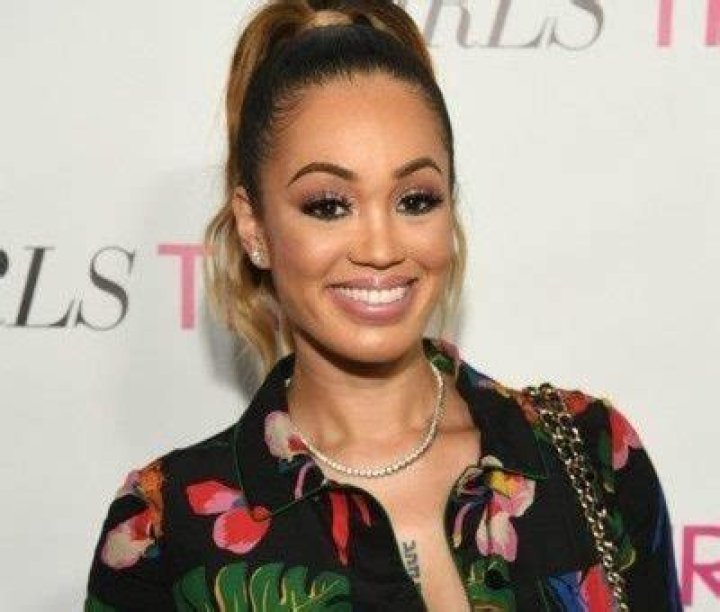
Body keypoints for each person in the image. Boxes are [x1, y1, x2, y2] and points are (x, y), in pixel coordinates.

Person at [84, 1, 683, 610]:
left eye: (415, 200)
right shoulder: (164, 534)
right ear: (253, 226)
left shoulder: (590, 454)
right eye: (328, 205)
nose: (380, 248)